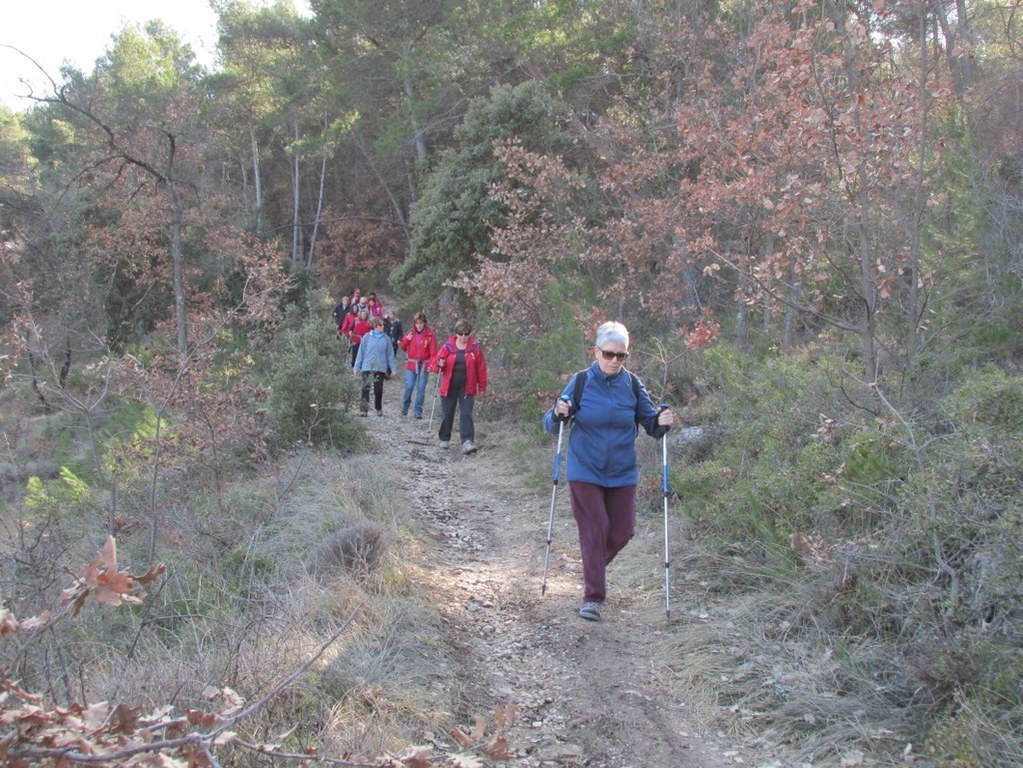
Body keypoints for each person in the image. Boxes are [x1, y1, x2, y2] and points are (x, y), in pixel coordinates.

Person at [542, 321, 674, 622]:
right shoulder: (580, 382)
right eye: (609, 354)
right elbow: (552, 425)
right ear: (596, 352)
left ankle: (591, 568)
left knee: (623, 531)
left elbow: (651, 426)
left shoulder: (632, 385)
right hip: (584, 469)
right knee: (596, 528)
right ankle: (593, 598)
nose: (614, 361)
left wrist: (663, 420)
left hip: (622, 472)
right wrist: (556, 412)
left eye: (621, 355)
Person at [430, 319, 487, 454]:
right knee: (447, 413)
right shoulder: (448, 347)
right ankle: (444, 438)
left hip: (467, 386)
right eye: (460, 334)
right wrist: (440, 364)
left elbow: (481, 368)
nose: (463, 337)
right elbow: (435, 365)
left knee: (466, 413)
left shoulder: (474, 348)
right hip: (449, 385)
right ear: (456, 333)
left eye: (466, 334)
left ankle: (467, 441)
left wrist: (483, 386)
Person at [353, 316, 396, 416]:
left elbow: (390, 354)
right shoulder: (367, 337)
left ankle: (378, 408)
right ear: (375, 326)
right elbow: (361, 352)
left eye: (383, 325)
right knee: (365, 388)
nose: (382, 327)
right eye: (380, 325)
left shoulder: (386, 338)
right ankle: (363, 410)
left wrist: (393, 368)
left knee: (378, 389)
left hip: (380, 367)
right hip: (367, 366)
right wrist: (356, 367)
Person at [398, 312, 437, 419]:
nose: (419, 325)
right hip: (412, 363)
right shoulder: (410, 333)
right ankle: (405, 408)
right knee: (409, 386)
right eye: (417, 323)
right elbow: (402, 347)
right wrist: (407, 340)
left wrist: (432, 365)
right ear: (414, 324)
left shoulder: (430, 335)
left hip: (424, 364)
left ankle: (417, 411)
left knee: (421, 388)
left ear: (424, 323)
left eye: (421, 323)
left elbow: (433, 353)